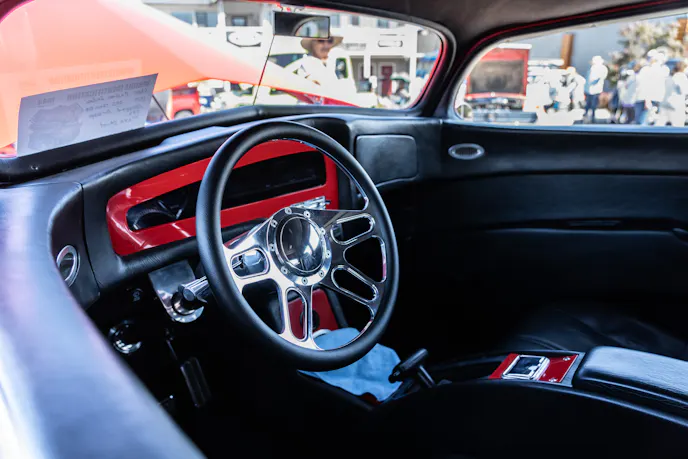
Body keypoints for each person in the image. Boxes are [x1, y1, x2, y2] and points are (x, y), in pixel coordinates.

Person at [635, 50, 669, 125]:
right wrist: (647, 100)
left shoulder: (659, 70)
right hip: (648, 99)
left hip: (653, 99)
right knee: (643, 122)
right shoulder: (647, 70)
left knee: (645, 122)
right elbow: (644, 85)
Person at [657, 60, 688, 127]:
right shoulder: (682, 76)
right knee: (678, 125)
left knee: (660, 125)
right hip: (676, 104)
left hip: (665, 102)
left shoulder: (669, 77)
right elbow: (684, 91)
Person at [583, 56, 608, 123]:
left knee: (594, 103)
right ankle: (586, 115)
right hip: (589, 89)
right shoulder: (592, 68)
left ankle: (593, 116)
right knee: (588, 103)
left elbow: (600, 78)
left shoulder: (602, 68)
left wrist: (593, 82)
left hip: (596, 89)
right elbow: (588, 78)